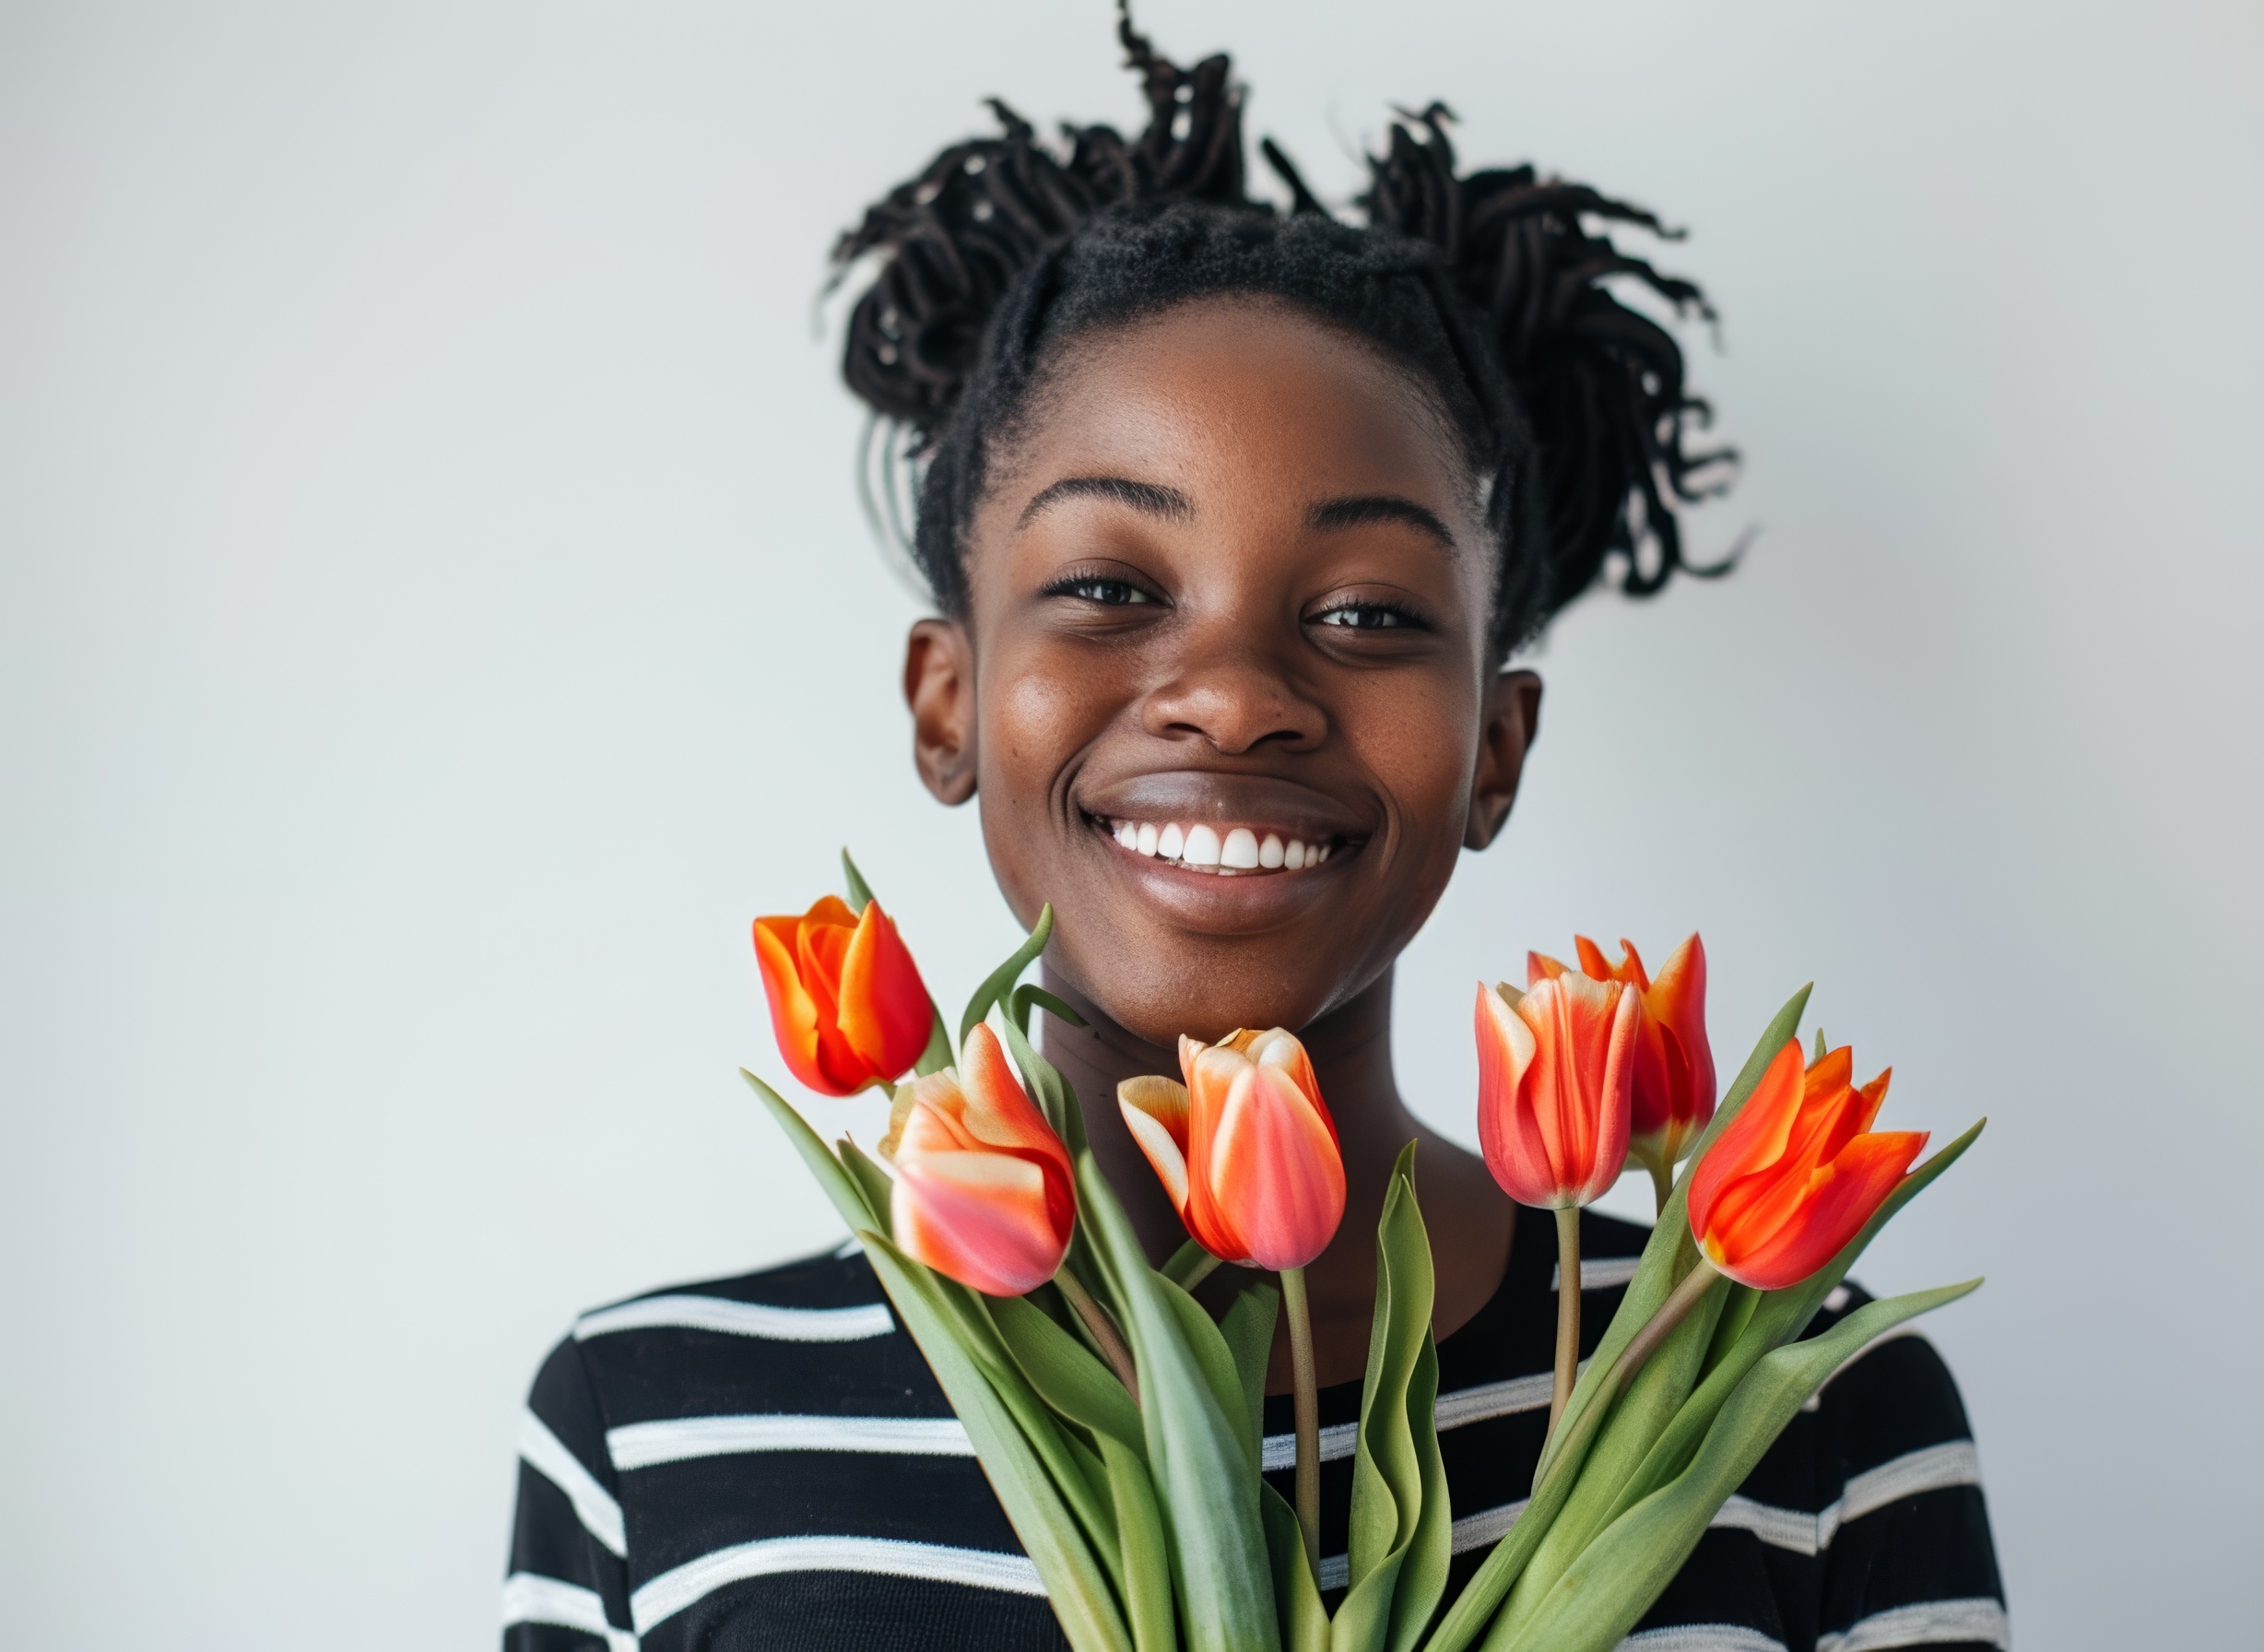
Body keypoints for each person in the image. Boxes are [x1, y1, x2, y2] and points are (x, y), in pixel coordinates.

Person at [501, 12, 2004, 1649]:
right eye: (1107, 590)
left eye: (1366, 613)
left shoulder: (1805, 1415)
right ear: (947, 705)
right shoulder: (655, 1428)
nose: (1232, 695)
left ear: (1494, 751)